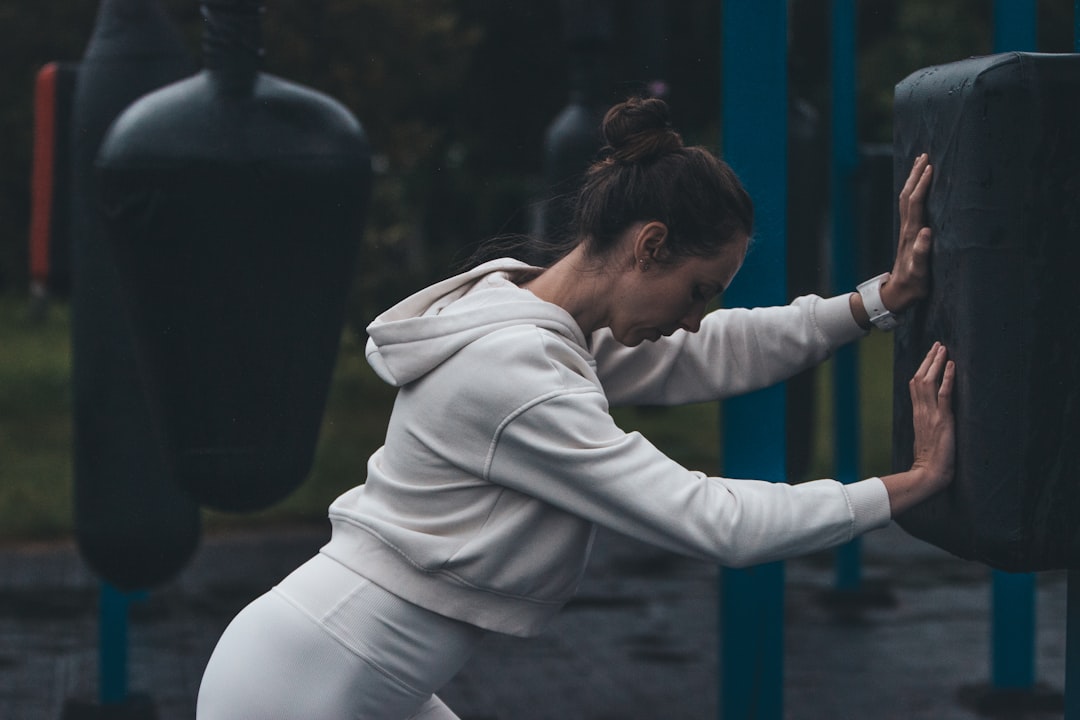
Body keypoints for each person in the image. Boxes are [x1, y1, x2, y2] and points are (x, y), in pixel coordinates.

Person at [196, 97, 954, 720]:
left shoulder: (524, 316)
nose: (695, 317)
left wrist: (877, 301)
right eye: (698, 290)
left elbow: (715, 349)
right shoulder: (516, 371)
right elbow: (714, 522)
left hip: (343, 673)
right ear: (649, 245)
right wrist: (907, 486)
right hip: (299, 688)